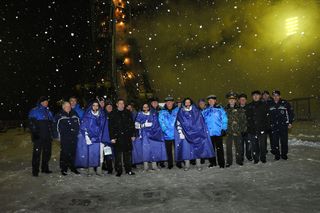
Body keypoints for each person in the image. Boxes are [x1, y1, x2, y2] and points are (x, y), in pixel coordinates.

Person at [175, 98, 215, 171]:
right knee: (186, 150)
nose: (187, 104)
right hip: (185, 134)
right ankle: (187, 164)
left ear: (191, 103)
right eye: (186, 102)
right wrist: (180, 132)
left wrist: (200, 131)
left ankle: (198, 164)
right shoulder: (181, 112)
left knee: (197, 149)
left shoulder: (196, 111)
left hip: (196, 134)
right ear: (184, 103)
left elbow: (201, 122)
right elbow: (178, 122)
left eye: (189, 102)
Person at [74, 100, 110, 175]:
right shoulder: (87, 115)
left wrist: (104, 138)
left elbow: (105, 127)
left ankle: (99, 169)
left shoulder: (102, 115)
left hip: (100, 138)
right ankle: (91, 169)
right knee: (91, 153)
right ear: (91, 106)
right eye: (94, 105)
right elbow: (84, 127)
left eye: (97, 105)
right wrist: (87, 137)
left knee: (100, 154)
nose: (95, 107)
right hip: (91, 138)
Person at [132, 103, 167, 171]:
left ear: (149, 107)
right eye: (144, 107)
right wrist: (143, 125)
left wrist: (153, 126)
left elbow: (157, 123)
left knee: (154, 149)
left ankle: (154, 166)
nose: (145, 108)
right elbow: (136, 124)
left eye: (146, 107)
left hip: (153, 134)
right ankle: (146, 167)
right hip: (144, 135)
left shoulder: (153, 114)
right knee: (145, 150)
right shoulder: (140, 114)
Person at [109, 99, 136, 177]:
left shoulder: (128, 113)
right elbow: (111, 127)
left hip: (127, 137)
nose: (121, 105)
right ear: (117, 104)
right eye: (120, 103)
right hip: (117, 137)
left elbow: (131, 124)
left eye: (123, 103)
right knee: (117, 156)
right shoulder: (113, 113)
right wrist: (112, 137)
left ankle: (128, 170)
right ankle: (119, 170)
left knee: (127, 155)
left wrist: (133, 134)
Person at [28, 96, 54, 176]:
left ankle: (44, 168)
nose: (46, 103)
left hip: (48, 136)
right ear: (41, 102)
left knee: (47, 153)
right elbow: (31, 123)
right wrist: (34, 133)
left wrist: (52, 134)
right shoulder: (35, 111)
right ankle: (35, 171)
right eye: (44, 101)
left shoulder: (49, 112)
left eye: (47, 101)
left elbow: (52, 124)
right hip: (38, 136)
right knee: (37, 153)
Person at [54, 101, 80, 176]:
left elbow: (79, 124)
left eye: (69, 106)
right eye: (66, 106)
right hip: (65, 138)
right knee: (65, 153)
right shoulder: (59, 115)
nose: (68, 107)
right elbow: (55, 127)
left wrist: (78, 133)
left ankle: (73, 167)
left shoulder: (74, 114)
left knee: (73, 153)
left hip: (74, 137)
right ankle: (64, 168)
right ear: (63, 107)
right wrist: (57, 136)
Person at [202, 95, 228, 168]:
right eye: (209, 100)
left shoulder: (220, 109)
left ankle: (221, 163)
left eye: (212, 100)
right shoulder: (205, 110)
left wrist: (224, 128)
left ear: (215, 101)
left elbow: (224, 119)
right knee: (211, 149)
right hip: (209, 133)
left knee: (219, 149)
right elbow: (202, 121)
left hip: (218, 132)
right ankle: (212, 162)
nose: (211, 101)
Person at [246, 90, 270, 164]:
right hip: (252, 129)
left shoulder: (264, 105)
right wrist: (248, 128)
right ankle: (256, 158)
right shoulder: (249, 106)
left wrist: (267, 127)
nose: (255, 96)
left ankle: (263, 157)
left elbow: (267, 117)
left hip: (262, 129)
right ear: (252, 97)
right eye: (254, 95)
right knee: (254, 145)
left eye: (257, 95)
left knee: (263, 145)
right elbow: (247, 118)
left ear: (260, 96)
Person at [269, 90, 294, 160]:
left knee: (284, 141)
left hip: (283, 126)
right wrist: (269, 124)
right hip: (274, 126)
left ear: (280, 96)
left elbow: (291, 113)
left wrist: (290, 122)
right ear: (272, 97)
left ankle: (284, 154)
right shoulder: (270, 104)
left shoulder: (285, 103)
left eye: (277, 95)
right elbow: (267, 115)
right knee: (275, 141)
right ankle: (277, 155)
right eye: (274, 96)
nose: (276, 97)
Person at [224, 92, 247, 167]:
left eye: (233, 99)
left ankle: (239, 160)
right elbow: (222, 120)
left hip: (238, 131)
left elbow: (244, 120)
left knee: (239, 147)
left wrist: (243, 130)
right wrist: (223, 130)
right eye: (230, 99)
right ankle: (229, 161)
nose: (231, 101)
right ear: (228, 100)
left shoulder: (240, 109)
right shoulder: (224, 109)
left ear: (235, 100)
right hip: (228, 131)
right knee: (228, 148)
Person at [158, 97, 181, 169]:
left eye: (170, 102)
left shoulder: (177, 110)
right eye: (167, 102)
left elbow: (181, 119)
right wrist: (166, 130)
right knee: (168, 151)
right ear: (165, 103)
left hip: (176, 134)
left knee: (178, 149)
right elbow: (161, 122)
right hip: (167, 135)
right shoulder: (162, 112)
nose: (169, 103)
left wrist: (178, 130)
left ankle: (178, 162)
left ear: (173, 102)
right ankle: (170, 163)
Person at [238, 93, 252, 161]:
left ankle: (249, 156)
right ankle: (241, 157)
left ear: (246, 100)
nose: (242, 101)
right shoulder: (236, 109)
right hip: (240, 131)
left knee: (248, 144)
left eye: (244, 99)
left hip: (248, 130)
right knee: (240, 146)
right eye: (241, 99)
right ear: (239, 101)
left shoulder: (249, 108)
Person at [102, 101, 114, 174]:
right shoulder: (103, 115)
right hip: (106, 138)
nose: (109, 107)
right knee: (108, 154)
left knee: (114, 154)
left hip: (114, 138)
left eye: (110, 106)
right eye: (108, 106)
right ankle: (110, 169)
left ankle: (116, 167)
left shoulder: (114, 115)